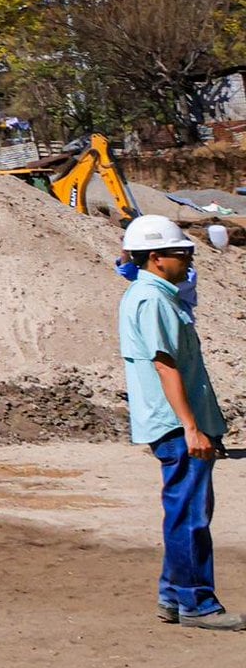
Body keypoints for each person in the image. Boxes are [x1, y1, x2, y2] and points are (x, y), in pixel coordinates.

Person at [120, 214, 229, 628]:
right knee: (190, 517)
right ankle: (197, 604)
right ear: (156, 258)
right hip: (175, 424)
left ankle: (172, 595)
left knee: (184, 511)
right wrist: (191, 426)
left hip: (176, 422)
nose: (187, 260)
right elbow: (166, 365)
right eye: (181, 253)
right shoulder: (153, 300)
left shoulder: (154, 293)